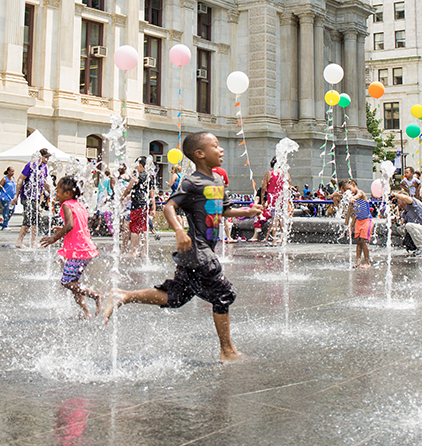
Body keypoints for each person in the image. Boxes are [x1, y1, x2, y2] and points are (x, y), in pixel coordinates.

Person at [103, 131, 262, 362]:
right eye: (215, 146)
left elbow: (223, 209)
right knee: (223, 294)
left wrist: (246, 211)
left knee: (176, 297)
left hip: (200, 250)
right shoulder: (190, 182)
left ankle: (123, 296)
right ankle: (227, 351)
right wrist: (178, 230)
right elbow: (169, 207)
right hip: (197, 249)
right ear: (199, 154)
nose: (221, 150)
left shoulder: (217, 179)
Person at [38, 176, 101, 317]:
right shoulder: (79, 205)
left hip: (77, 250)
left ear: (67, 194)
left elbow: (70, 225)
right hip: (86, 249)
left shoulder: (66, 205)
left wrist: (54, 238)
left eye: (58, 192)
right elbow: (78, 226)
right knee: (74, 283)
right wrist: (61, 229)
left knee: (66, 282)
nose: (56, 195)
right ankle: (85, 312)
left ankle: (95, 295)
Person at [13, 148, 51, 248]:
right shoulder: (30, 165)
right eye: (46, 157)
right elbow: (20, 179)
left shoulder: (44, 167)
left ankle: (32, 241)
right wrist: (16, 196)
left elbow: (44, 182)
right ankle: (21, 241)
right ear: (40, 156)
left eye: (48, 157)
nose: (47, 159)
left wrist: (47, 192)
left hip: (36, 197)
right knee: (30, 218)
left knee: (34, 218)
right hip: (27, 196)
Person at [391, 190, 422, 257]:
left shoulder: (413, 203)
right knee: (401, 228)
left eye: (397, 200)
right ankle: (417, 247)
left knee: (409, 225)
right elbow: (401, 224)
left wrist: (395, 194)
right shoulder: (405, 212)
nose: (397, 202)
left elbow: (405, 198)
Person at [123, 157, 153, 258]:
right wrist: (152, 207)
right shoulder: (149, 176)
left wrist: (122, 198)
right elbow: (151, 193)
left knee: (134, 228)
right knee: (143, 228)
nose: (135, 166)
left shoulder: (137, 175)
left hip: (137, 205)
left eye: (136, 164)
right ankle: (143, 252)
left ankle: (132, 251)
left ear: (140, 165)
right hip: (145, 205)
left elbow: (129, 188)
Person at [340, 180, 372, 268]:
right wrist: (351, 226)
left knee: (363, 241)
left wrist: (353, 198)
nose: (348, 192)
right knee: (358, 241)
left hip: (366, 220)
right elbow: (354, 214)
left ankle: (367, 262)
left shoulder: (360, 193)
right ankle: (358, 260)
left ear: (354, 185)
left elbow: (358, 196)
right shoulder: (352, 199)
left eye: (349, 189)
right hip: (359, 221)